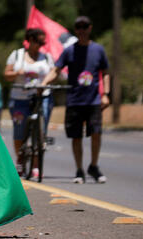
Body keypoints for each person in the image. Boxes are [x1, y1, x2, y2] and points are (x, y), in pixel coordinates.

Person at [41, 15, 109, 184]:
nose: (82, 30)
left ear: (90, 28)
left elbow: (105, 73)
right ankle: (79, 170)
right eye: (78, 27)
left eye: (84, 27)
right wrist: (44, 83)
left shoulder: (98, 50)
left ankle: (93, 166)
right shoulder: (70, 51)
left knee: (96, 133)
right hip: (74, 101)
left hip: (93, 100)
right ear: (75, 30)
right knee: (76, 136)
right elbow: (56, 70)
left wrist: (106, 94)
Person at [4, 28, 55, 180]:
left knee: (41, 132)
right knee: (19, 132)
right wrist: (16, 73)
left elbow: (54, 72)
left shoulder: (46, 57)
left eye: (43, 42)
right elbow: (6, 75)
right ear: (30, 40)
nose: (41, 45)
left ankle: (36, 166)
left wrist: (45, 83)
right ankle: (20, 161)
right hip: (20, 98)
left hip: (42, 97)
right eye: (39, 42)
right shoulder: (17, 55)